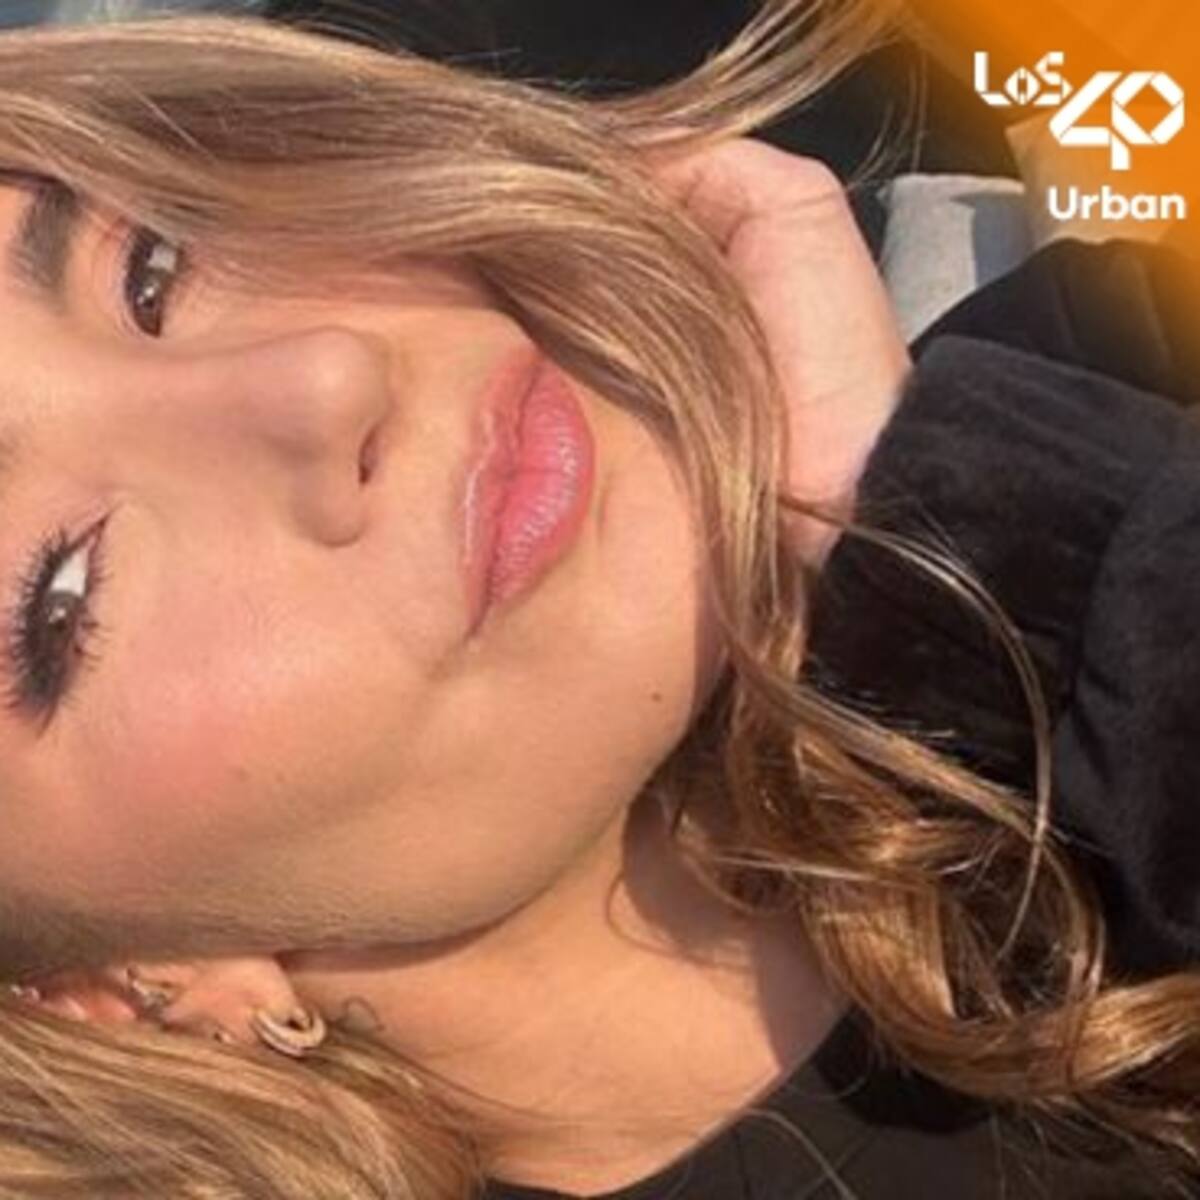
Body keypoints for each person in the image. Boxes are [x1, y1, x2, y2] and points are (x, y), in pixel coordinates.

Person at [0, 3, 1197, 1199]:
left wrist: (939, 523)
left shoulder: (1100, 384)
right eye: (62, 599)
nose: (322, 379)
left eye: (152, 268)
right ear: (110, 986)